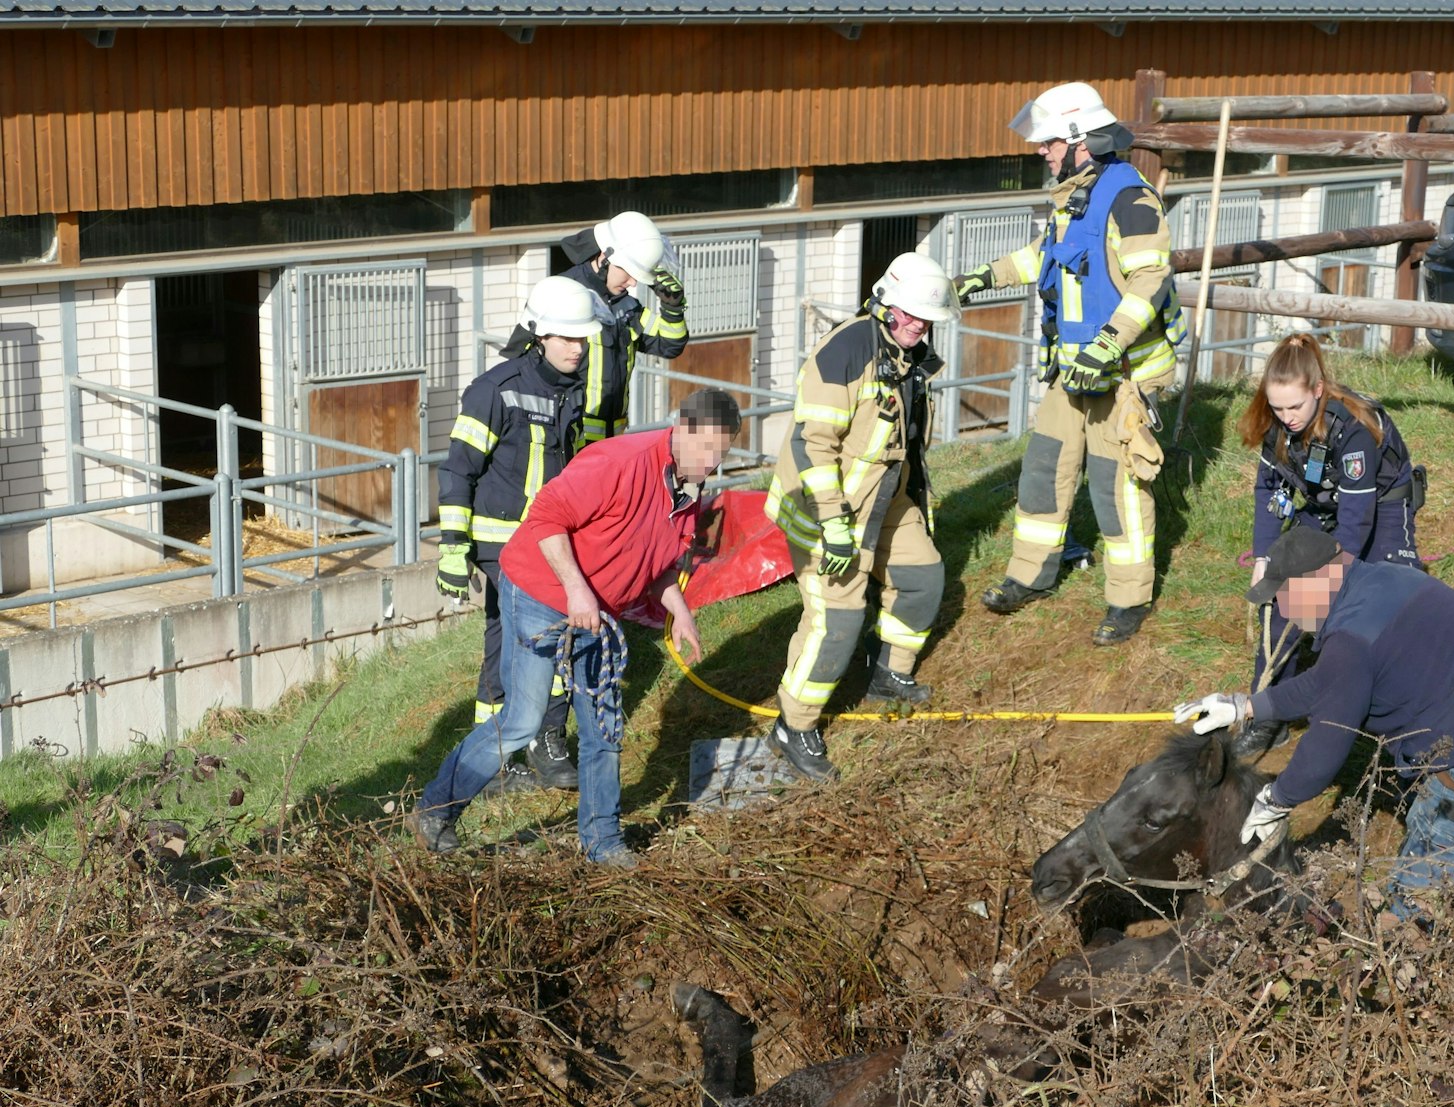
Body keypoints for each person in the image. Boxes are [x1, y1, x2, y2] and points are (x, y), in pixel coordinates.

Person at [410, 390, 741, 867]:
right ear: (681, 428)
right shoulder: (618, 461)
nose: (711, 463)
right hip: (541, 591)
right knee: (523, 720)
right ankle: (435, 811)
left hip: (599, 614)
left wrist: (679, 607)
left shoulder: (688, 490)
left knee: (604, 729)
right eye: (705, 448)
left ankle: (603, 844)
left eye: (721, 453)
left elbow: (663, 564)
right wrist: (577, 590)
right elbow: (546, 519)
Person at [1175, 523, 1454, 917]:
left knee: (1417, 891)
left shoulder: (1351, 640)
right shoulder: (1387, 579)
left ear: (1320, 577)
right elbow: (1329, 684)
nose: (1284, 611)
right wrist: (1247, 706)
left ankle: (1402, 969)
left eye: (1285, 596)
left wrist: (1277, 799)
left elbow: (1326, 747)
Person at [954, 81, 1187, 647]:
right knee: (1044, 470)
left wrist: (1108, 346)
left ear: (1081, 140)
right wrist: (985, 277)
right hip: (1073, 369)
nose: (1041, 150)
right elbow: (1044, 257)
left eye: (1049, 141)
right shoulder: (1072, 196)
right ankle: (1031, 576)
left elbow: (1149, 279)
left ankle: (1128, 600)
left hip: (1124, 373)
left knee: (1116, 484)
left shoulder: (1131, 198)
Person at [762, 253, 956, 783]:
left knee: (922, 578)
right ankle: (793, 725)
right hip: (828, 510)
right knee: (837, 621)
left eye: (926, 317)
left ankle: (889, 675)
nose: (918, 324)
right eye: (909, 313)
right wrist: (834, 524)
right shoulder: (847, 351)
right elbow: (812, 445)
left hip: (885, 497)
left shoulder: (906, 353)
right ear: (883, 302)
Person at [436, 275, 603, 793]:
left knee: (524, 639)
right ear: (540, 334)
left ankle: (532, 742)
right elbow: (457, 470)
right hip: (501, 543)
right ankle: (513, 750)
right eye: (567, 337)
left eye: (583, 338)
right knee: (530, 638)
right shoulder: (496, 390)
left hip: (550, 540)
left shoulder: (573, 390)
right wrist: (452, 547)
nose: (578, 347)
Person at [1233, 332, 1425, 761]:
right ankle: (1269, 716)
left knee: (1389, 605)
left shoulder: (1352, 430)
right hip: (1327, 505)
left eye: (1295, 407)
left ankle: (1402, 719)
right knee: (1279, 596)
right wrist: (1266, 560)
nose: (1287, 418)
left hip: (1381, 510)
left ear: (1317, 391)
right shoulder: (1278, 427)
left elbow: (1356, 525)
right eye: (1277, 408)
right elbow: (1268, 495)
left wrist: (1328, 586)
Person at [518, 210, 692, 447]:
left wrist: (673, 309)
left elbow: (669, 346)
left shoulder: (628, 307)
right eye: (629, 272)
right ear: (606, 257)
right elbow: (527, 371)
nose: (633, 282)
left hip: (613, 442)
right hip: (569, 442)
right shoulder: (563, 297)